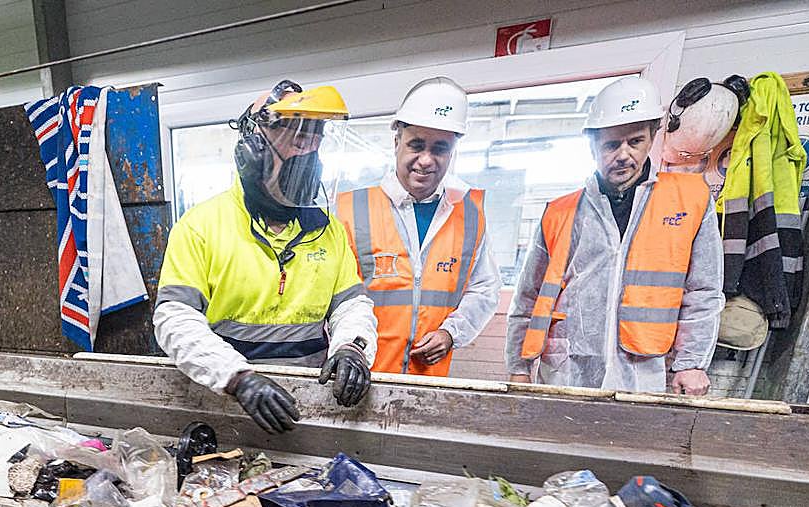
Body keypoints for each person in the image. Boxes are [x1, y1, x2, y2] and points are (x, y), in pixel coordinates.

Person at [153, 81, 377, 434]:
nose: (308, 145)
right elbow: (175, 319)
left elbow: (351, 306)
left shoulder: (328, 230)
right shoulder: (201, 226)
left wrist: (352, 347)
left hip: (310, 406)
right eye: (295, 131)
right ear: (253, 146)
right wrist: (238, 378)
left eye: (316, 133)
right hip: (228, 406)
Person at [506, 77, 723, 394]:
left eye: (634, 141)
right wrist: (518, 368)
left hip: (645, 371)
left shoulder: (690, 200)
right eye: (611, 144)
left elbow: (703, 292)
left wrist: (691, 363)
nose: (623, 155)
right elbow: (527, 296)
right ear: (592, 144)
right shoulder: (561, 211)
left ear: (652, 137)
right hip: (566, 370)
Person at [336, 77, 500, 375]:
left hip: (428, 381)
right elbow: (334, 297)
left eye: (439, 148)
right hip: (360, 376)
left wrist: (451, 333)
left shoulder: (470, 214)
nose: (426, 160)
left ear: (452, 152)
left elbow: (485, 289)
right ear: (396, 141)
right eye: (416, 145)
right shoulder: (350, 210)